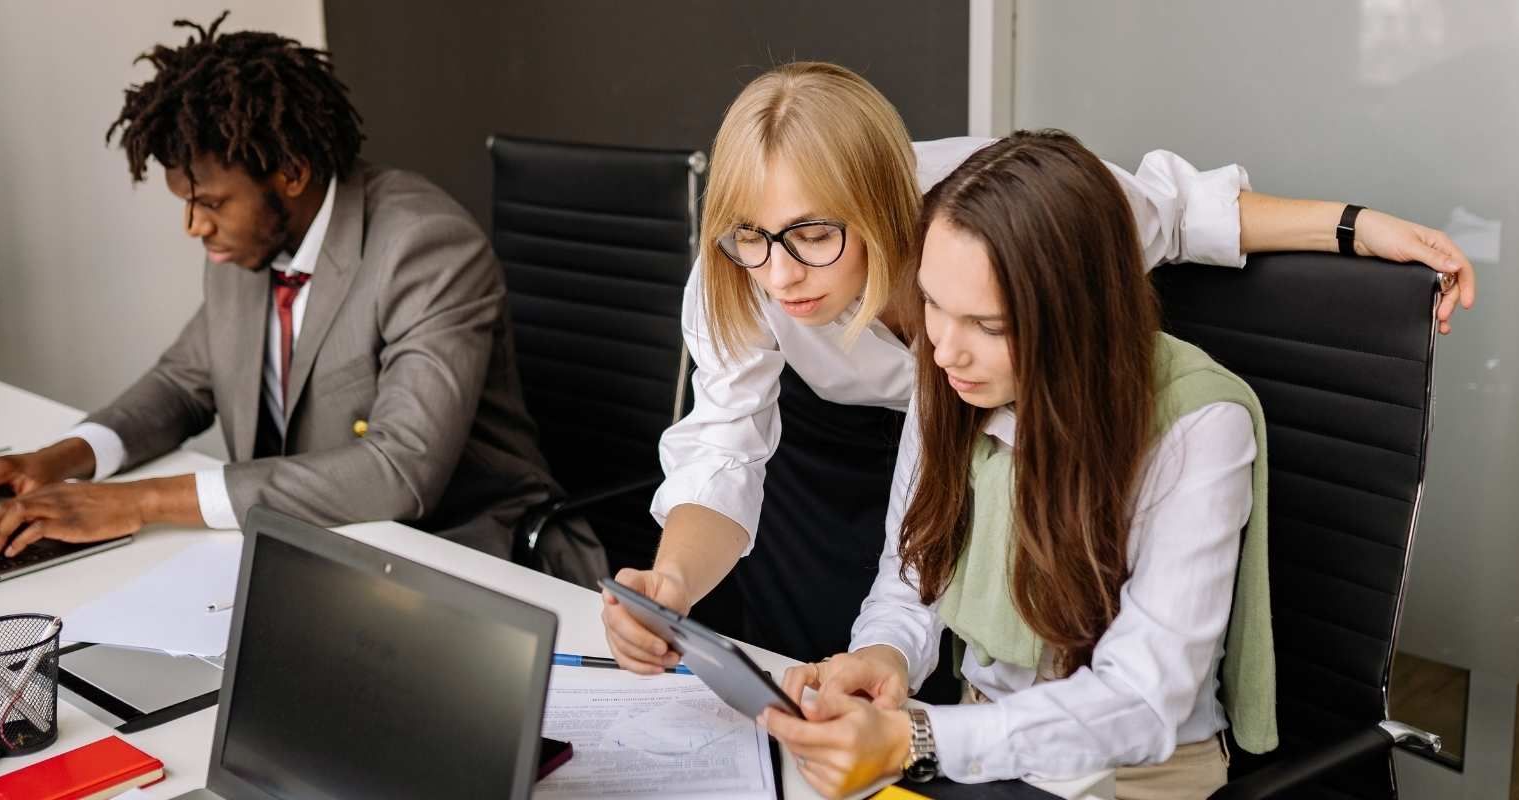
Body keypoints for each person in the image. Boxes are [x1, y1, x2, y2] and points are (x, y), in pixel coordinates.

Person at [601, 61, 1474, 677]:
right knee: (846, 662)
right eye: (751, 236)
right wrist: (672, 583)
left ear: (881, 202)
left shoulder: (1004, 215)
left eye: (813, 235)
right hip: (831, 456)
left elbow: (1179, 212)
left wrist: (1358, 228)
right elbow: (725, 451)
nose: (780, 272)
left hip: (993, 442)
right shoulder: (743, 268)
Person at [0, 13, 604, 584]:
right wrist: (56, 460)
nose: (194, 226)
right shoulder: (244, 246)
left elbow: (399, 472)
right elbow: (182, 384)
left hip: (462, 555)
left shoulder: (424, 248)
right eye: (187, 203)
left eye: (210, 203)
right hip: (308, 554)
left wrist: (140, 503)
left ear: (293, 173)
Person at [765, 129, 1270, 799]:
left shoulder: (1198, 427)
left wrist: (919, 739)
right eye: (933, 306)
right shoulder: (946, 376)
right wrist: (879, 658)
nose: (945, 348)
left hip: (1132, 778)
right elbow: (913, 572)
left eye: (989, 324)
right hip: (979, 752)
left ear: (1077, 316)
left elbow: (1143, 699)